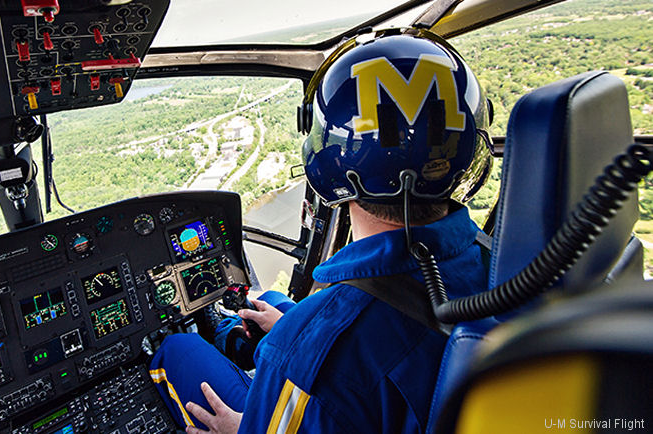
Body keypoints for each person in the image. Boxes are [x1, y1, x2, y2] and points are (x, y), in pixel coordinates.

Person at [147, 30, 494, 434]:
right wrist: (297, 333)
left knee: (177, 348)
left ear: (327, 161)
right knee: (274, 301)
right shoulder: (501, 256)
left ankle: (221, 334)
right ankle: (231, 333)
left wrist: (242, 428)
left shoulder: (315, 342)